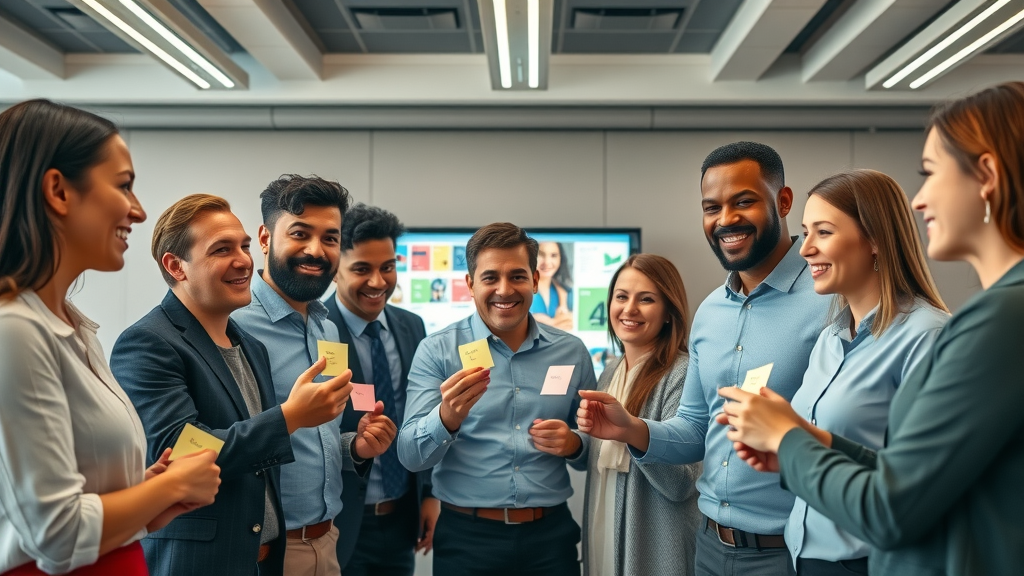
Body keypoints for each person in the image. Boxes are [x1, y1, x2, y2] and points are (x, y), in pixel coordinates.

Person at [718, 82, 1024, 576]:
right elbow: (909, 473)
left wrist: (791, 441)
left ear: (986, 175)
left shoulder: (991, 321)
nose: (919, 200)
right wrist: (800, 439)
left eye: (931, 173)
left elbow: (893, 508)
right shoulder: (834, 335)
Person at [577, 142, 830, 576]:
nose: (725, 219)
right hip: (709, 546)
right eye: (712, 207)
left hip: (790, 552)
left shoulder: (829, 297)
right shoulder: (711, 311)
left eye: (743, 202)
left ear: (784, 201)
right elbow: (696, 428)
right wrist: (631, 428)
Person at [0, 100, 221, 575]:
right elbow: (56, 536)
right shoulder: (16, 330)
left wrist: (148, 494)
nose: (138, 211)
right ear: (58, 191)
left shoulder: (74, 327)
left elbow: (81, 500)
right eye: (123, 186)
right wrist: (168, 486)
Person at [715, 170, 949, 576]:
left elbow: (923, 483)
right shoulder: (830, 338)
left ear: (875, 239)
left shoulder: (926, 336)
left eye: (823, 232)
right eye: (806, 232)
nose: (805, 249)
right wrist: (784, 447)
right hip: (804, 558)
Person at [110, 194, 357, 576]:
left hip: (265, 559)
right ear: (176, 266)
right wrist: (289, 417)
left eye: (243, 246)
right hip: (200, 564)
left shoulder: (249, 345)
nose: (243, 260)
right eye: (222, 249)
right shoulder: (147, 342)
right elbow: (180, 450)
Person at [398, 222, 598, 576]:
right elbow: (411, 456)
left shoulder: (572, 352)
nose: (504, 290)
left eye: (517, 276)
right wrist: (446, 418)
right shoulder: (438, 351)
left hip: (551, 539)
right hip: (467, 541)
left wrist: (574, 444)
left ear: (535, 279)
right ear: (470, 284)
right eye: (490, 277)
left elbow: (594, 451)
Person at [232, 175, 397, 576]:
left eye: (330, 238)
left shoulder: (327, 328)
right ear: (265, 238)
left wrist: (354, 447)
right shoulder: (233, 324)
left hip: (326, 541)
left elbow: (313, 436)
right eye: (300, 234)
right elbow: (218, 443)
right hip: (263, 551)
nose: (316, 250)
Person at [324, 203, 437, 576]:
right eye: (362, 269)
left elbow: (422, 415)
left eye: (387, 267)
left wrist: (429, 493)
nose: (378, 282)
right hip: (339, 522)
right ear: (335, 270)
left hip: (402, 516)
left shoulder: (411, 327)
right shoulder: (315, 331)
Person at [581, 254, 702, 576]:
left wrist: (632, 432)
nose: (629, 309)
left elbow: (682, 483)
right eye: (621, 297)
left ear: (669, 312)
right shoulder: (610, 371)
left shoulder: (683, 373)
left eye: (646, 299)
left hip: (655, 543)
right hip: (604, 521)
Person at [532, 241, 573, 330]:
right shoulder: (518, 292)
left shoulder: (568, 294)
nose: (547, 262)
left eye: (554, 255)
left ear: (560, 258)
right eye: (541, 254)